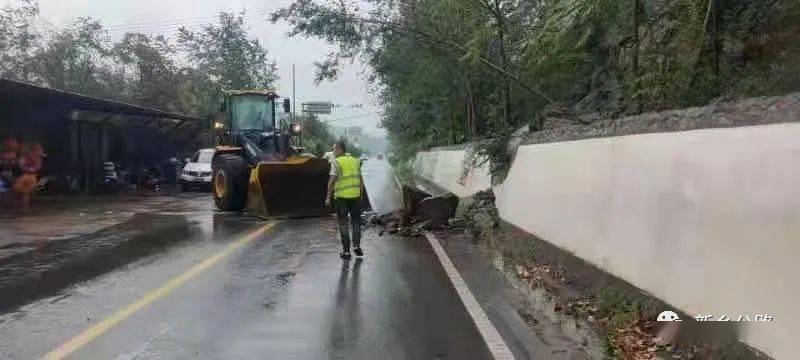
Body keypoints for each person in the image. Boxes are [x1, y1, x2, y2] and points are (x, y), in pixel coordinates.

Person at [325, 141, 366, 260]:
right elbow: (361, 180)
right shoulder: (355, 161)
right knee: (356, 222)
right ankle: (357, 246)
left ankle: (346, 252)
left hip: (342, 198)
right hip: (355, 197)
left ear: (340, 150)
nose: (333, 152)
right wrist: (361, 195)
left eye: (334, 149)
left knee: (343, 224)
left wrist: (328, 197)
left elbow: (332, 181)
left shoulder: (336, 162)